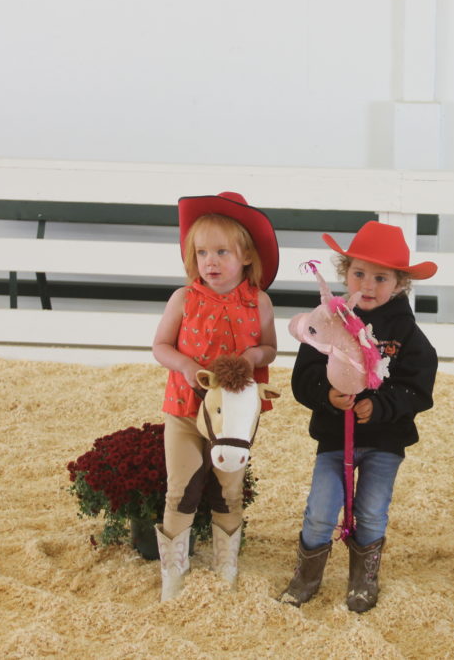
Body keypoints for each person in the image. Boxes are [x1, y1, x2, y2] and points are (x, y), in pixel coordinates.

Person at [280, 221, 438, 613]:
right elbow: (303, 376)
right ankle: (307, 575)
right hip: (335, 438)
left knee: (371, 510)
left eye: (380, 278)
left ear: (400, 283)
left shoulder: (405, 330)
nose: (367, 285)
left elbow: (418, 385)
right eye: (359, 273)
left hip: (384, 440)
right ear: (344, 272)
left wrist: (380, 406)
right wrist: (328, 395)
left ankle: (363, 577)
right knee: (320, 509)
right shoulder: (330, 318)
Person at [151, 191, 279, 602]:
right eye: (202, 252)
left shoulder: (258, 302)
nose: (211, 261)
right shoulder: (184, 298)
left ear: (245, 256)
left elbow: (270, 348)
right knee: (180, 488)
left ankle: (227, 563)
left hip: (233, 418)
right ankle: (174, 571)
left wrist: (253, 355)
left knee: (229, 487)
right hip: (186, 411)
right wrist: (186, 366)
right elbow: (160, 346)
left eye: (222, 251)